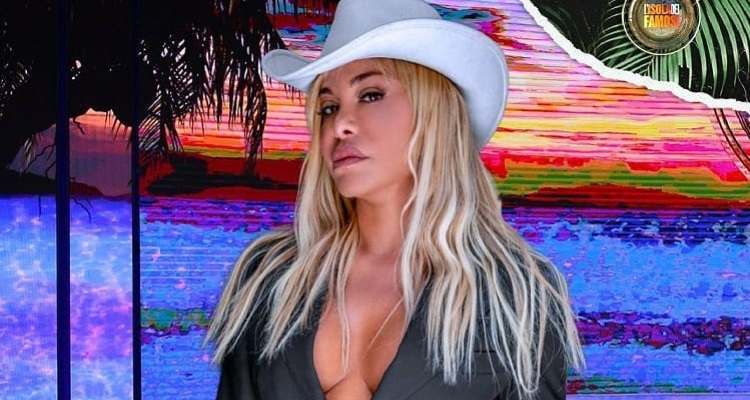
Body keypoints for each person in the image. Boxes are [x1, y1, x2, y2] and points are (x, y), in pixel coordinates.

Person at [203, 0, 586, 399]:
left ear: (433, 113)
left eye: (370, 95)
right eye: (328, 107)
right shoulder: (268, 277)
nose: (340, 124)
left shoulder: (517, 296)